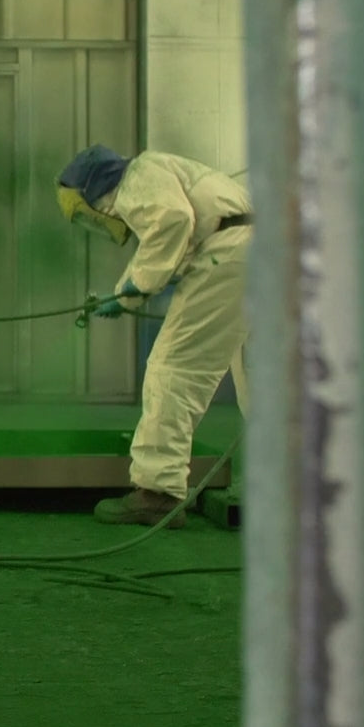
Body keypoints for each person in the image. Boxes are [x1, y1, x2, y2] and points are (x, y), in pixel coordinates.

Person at [57, 144, 252, 528]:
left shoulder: (137, 176)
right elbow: (172, 240)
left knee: (174, 368)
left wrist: (134, 287)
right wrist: (124, 295)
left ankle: (157, 491)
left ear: (94, 192)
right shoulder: (160, 173)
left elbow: (172, 222)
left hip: (227, 255)